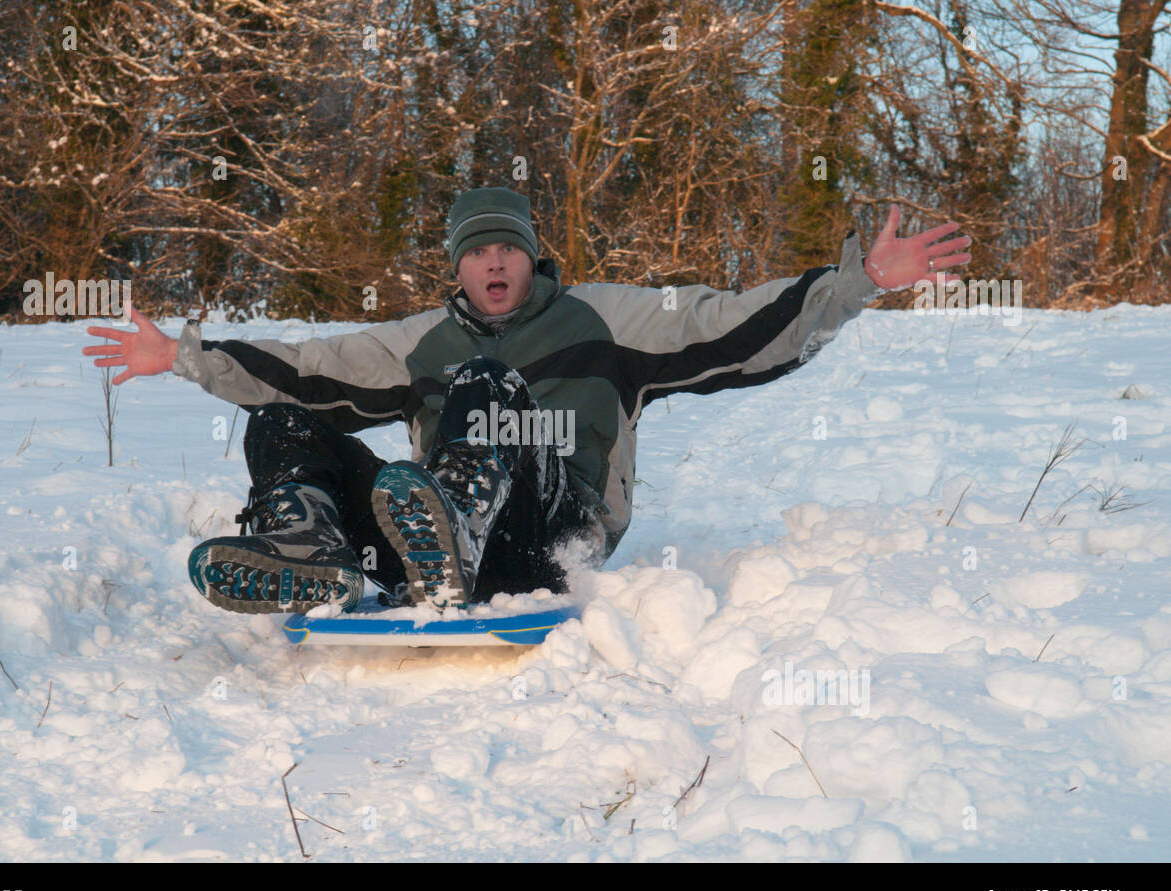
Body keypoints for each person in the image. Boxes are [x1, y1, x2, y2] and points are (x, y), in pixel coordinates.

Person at [83, 187, 970, 614]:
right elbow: (308, 366)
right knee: (282, 418)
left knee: (487, 386)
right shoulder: (420, 341)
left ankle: (454, 533)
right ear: (458, 267)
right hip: (425, 543)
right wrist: (186, 356)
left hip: (552, 531)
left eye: (508, 247)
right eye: (477, 252)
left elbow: (738, 332)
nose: (494, 263)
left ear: (531, 256)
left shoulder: (610, 319)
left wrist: (854, 283)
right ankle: (317, 548)